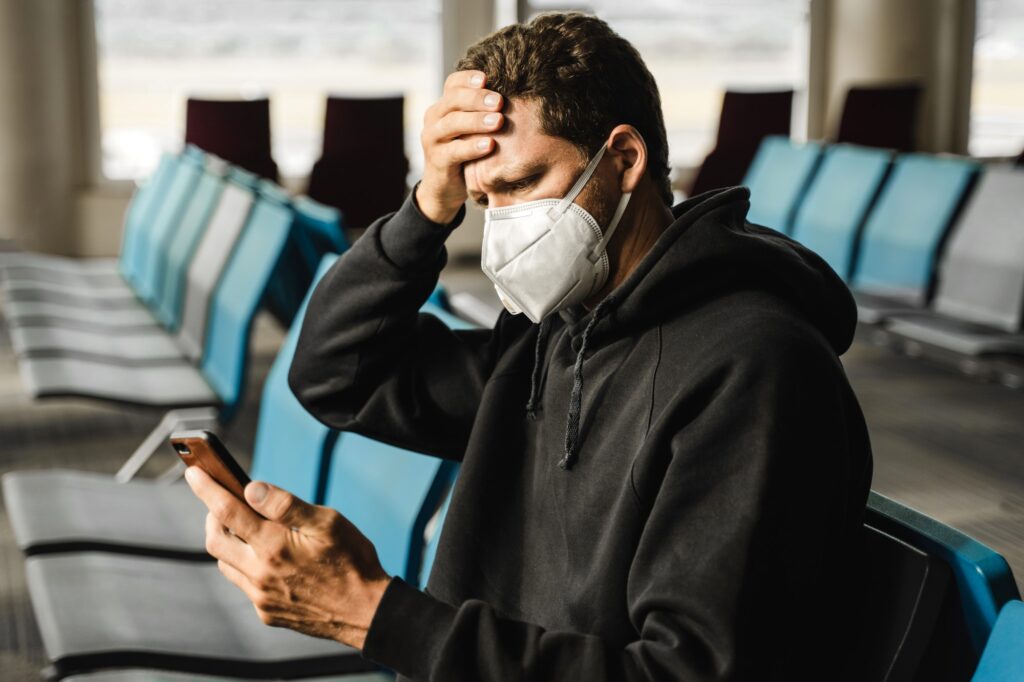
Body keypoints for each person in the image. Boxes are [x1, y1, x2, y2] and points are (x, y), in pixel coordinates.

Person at [185, 12, 873, 680]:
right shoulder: (559, 333)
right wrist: (428, 205)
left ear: (625, 160)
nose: (507, 227)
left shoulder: (757, 368)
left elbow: (685, 670)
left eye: (521, 183)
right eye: (485, 202)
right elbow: (339, 377)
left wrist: (374, 616)